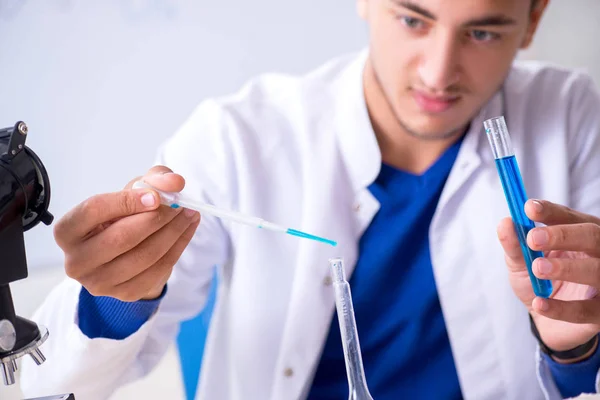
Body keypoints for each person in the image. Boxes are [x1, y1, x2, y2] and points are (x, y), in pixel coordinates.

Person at [19, 0, 600, 399]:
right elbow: (57, 380)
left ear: (533, 19)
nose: (438, 73)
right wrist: (117, 293)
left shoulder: (578, 118)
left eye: (482, 31)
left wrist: (576, 349)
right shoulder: (239, 137)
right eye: (412, 20)